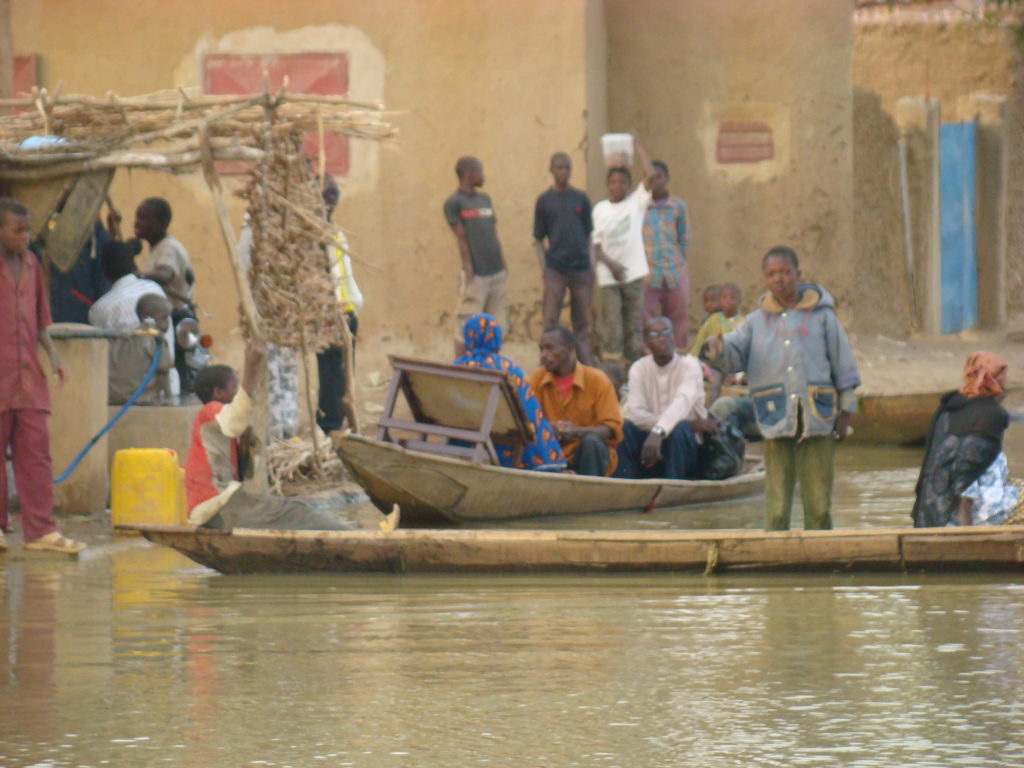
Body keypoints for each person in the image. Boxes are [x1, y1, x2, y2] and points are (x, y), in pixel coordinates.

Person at [702, 246, 860, 531]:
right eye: (772, 274)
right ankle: (775, 550)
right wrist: (716, 349)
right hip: (775, 416)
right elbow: (733, 352)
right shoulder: (755, 322)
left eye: (785, 272)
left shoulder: (822, 316)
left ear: (798, 273)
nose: (779, 279)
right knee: (776, 504)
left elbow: (843, 363)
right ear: (765, 279)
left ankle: (819, 551)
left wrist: (845, 411)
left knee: (819, 503)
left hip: (817, 416)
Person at [184, 341, 357, 532]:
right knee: (297, 512)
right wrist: (250, 369)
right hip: (215, 504)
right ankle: (351, 535)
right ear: (218, 393)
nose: (237, 392)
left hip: (217, 506)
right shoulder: (211, 410)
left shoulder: (219, 424)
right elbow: (235, 421)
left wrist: (246, 442)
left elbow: (245, 471)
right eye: (234, 387)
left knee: (293, 510)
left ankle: (348, 533)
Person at [0, 197, 85, 554]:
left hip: (29, 377)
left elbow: (40, 320)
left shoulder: (32, 265)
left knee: (35, 453)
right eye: (17, 231)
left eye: (27, 230)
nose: (25, 237)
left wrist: (54, 358)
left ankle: (40, 530)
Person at [912, 352, 1022, 527]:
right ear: (996, 380)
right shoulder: (990, 414)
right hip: (967, 515)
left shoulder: (947, 408)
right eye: (1003, 376)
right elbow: (966, 477)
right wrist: (966, 532)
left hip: (930, 511)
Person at [454, 313, 566, 471]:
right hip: (505, 440)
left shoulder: (458, 366)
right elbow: (529, 412)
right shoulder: (509, 368)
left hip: (466, 434)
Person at [615, 316, 715, 480]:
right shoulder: (639, 368)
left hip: (685, 447)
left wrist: (660, 431)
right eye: (655, 335)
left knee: (679, 430)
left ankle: (673, 485)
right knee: (625, 427)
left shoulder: (690, 366)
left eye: (667, 333)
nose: (662, 339)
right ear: (646, 342)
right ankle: (625, 483)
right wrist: (662, 430)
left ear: (674, 337)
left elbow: (682, 403)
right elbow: (636, 413)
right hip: (650, 444)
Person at [529, 326, 623, 476]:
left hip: (586, 456)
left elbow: (610, 429)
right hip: (550, 454)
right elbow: (529, 420)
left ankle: (587, 489)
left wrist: (575, 432)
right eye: (541, 349)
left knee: (591, 442)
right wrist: (548, 428)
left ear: (570, 349)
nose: (544, 355)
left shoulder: (597, 380)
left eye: (550, 348)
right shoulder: (537, 378)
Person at [592, 137, 654, 363]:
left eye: (622, 182)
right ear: (607, 185)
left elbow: (651, 175)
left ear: (628, 185)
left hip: (633, 274)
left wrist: (638, 145)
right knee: (613, 327)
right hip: (609, 277)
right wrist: (612, 265)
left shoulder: (635, 203)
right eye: (613, 182)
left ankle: (632, 370)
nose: (618, 186)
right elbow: (594, 246)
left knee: (633, 327)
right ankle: (612, 370)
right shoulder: (600, 210)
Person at [237, 215, 298, 441]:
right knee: (281, 372)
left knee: (275, 371)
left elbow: (242, 265)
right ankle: (283, 430)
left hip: (273, 313)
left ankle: (277, 433)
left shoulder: (256, 225)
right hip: (281, 312)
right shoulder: (286, 221)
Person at [533, 152, 595, 364]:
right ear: (551, 170)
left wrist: (591, 266)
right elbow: (538, 239)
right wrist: (545, 269)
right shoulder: (544, 201)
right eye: (559, 168)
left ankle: (586, 368)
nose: (564, 172)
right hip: (556, 269)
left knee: (582, 324)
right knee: (550, 320)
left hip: (581, 269)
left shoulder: (580, 198)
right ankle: (545, 367)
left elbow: (589, 235)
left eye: (567, 167)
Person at [444, 156, 507, 355]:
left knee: (496, 328)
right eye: (480, 171)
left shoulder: (485, 200)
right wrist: (468, 268)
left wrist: (503, 264)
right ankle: (462, 367)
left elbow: (493, 233)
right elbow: (461, 237)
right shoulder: (454, 202)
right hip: (476, 275)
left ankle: (491, 367)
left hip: (496, 271)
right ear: (468, 174)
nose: (483, 176)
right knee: (466, 328)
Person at [317, 175, 363, 435]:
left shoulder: (334, 231)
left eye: (335, 193)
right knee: (332, 373)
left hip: (346, 311)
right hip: (330, 313)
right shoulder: (314, 234)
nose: (333, 198)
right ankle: (329, 425)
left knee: (344, 374)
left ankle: (337, 421)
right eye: (327, 193)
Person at [642, 161, 691, 349]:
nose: (655, 181)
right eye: (650, 178)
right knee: (646, 318)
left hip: (675, 271)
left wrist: (679, 261)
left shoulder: (678, 206)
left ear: (667, 179)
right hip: (648, 273)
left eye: (659, 177)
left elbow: (684, 237)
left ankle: (678, 355)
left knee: (678, 317)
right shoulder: (640, 206)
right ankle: (649, 355)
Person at [108, 294, 173, 405]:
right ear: (147, 318)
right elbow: (163, 371)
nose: (167, 323)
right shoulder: (156, 337)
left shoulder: (125, 336)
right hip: (142, 399)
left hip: (114, 398)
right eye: (164, 318)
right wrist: (169, 398)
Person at [690, 282, 745, 402]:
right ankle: (711, 408)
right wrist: (692, 358)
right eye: (724, 297)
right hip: (715, 363)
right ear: (720, 301)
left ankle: (733, 378)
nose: (728, 301)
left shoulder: (743, 322)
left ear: (739, 301)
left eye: (732, 298)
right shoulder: (712, 320)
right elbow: (700, 341)